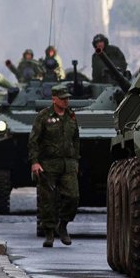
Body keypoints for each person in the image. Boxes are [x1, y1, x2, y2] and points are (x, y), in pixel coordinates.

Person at [28, 85, 80, 247]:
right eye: (63, 98)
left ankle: (63, 225)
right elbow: (33, 141)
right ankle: (49, 233)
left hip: (68, 164)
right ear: (54, 99)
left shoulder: (71, 116)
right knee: (47, 200)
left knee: (73, 197)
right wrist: (35, 162)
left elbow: (76, 139)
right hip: (48, 165)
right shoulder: (43, 116)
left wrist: (76, 160)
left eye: (67, 98)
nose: (66, 101)